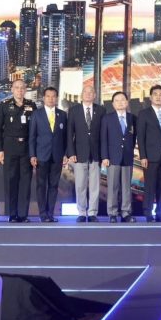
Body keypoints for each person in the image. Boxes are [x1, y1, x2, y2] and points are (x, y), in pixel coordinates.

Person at [0, 80, 37, 223]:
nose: (19, 90)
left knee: (25, 182)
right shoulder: (4, 105)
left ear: (25, 90)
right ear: (12, 89)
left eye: (22, 88)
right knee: (11, 181)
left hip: (26, 148)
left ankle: (23, 214)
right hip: (9, 147)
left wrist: (33, 152)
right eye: (17, 88)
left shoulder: (31, 105)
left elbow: (35, 130)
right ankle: (12, 214)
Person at [66, 85, 105, 222]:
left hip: (96, 154)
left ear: (94, 95)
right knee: (80, 185)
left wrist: (104, 155)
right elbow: (69, 133)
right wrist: (71, 152)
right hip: (79, 153)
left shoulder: (101, 110)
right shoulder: (74, 110)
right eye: (85, 92)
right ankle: (82, 212)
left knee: (95, 186)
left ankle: (93, 213)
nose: (88, 94)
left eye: (91, 92)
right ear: (81, 95)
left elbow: (103, 134)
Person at [29, 87, 67, 223]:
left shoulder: (62, 115)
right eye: (48, 96)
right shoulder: (36, 114)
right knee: (41, 186)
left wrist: (65, 154)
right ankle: (42, 214)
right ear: (43, 98)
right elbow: (32, 136)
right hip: (41, 155)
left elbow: (65, 137)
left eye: (53, 96)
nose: (51, 99)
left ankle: (50, 213)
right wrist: (32, 155)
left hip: (57, 156)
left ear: (56, 98)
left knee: (54, 186)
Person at [137, 85, 161, 222]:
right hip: (150, 156)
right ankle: (148, 213)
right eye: (155, 94)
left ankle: (160, 213)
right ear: (150, 97)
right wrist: (143, 156)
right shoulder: (144, 114)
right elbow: (140, 136)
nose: (158, 97)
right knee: (150, 186)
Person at [101, 91, 137, 223]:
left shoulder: (133, 118)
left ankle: (126, 213)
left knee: (127, 187)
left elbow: (133, 137)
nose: (120, 102)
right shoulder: (107, 118)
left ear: (127, 102)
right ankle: (112, 213)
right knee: (112, 187)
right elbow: (103, 139)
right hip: (112, 157)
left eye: (123, 100)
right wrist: (105, 156)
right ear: (113, 104)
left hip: (127, 157)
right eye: (117, 100)